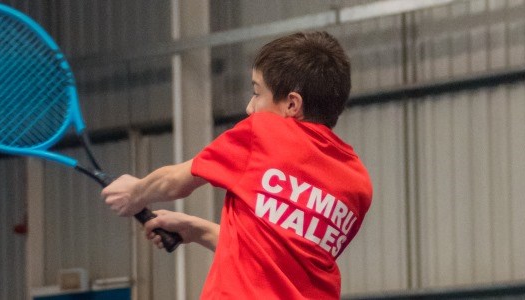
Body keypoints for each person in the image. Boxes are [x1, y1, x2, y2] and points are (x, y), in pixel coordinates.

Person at [102, 31, 372, 299]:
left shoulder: (263, 133)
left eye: (257, 93)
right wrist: (196, 230)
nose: (249, 107)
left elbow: (175, 181)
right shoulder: (357, 183)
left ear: (292, 104)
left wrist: (135, 193)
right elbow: (276, 257)